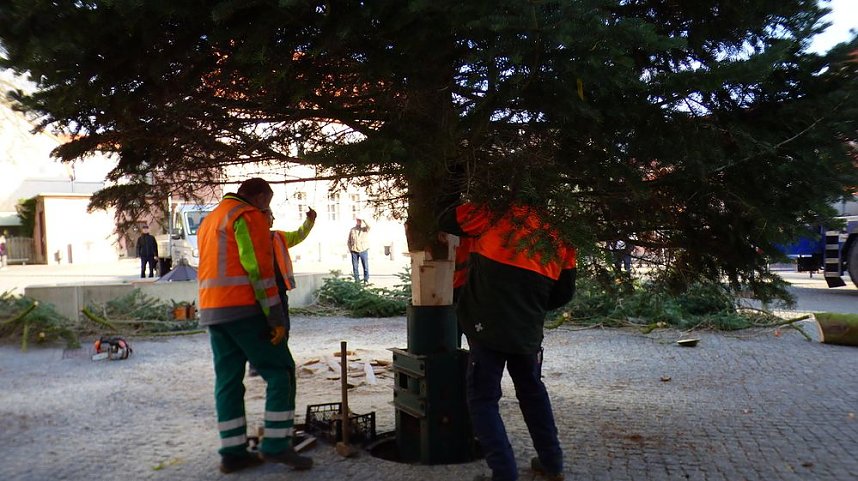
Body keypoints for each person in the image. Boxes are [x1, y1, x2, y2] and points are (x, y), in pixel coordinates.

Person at [439, 202, 576, 481]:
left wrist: (481, 193)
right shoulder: (561, 233)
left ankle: (504, 473)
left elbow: (446, 219)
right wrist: (528, 305)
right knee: (533, 393)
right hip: (526, 329)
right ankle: (552, 464)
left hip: (486, 326)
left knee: (483, 399)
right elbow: (563, 292)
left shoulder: (492, 212)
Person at [197, 178, 313, 474]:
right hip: (244, 310)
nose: (268, 210)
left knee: (228, 381)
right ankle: (275, 445)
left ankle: (233, 453)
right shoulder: (248, 216)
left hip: (213, 310)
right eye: (268, 203)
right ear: (260, 197)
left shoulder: (212, 219)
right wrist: (275, 317)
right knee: (281, 372)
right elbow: (259, 272)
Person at [248, 205, 317, 378]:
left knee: (283, 327)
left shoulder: (279, 237)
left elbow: (299, 235)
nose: (273, 219)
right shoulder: (249, 238)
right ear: (261, 216)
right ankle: (258, 365)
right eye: (271, 215)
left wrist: (309, 221)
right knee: (261, 328)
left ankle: (278, 361)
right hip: (259, 292)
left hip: (278, 291)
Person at [347, 216, 370, 283]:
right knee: (355, 267)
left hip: (363, 250)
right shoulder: (352, 230)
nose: (358, 222)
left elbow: (369, 227)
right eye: (357, 220)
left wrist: (364, 220)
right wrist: (350, 249)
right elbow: (349, 241)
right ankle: (357, 281)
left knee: (365, 266)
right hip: (354, 251)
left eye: (359, 221)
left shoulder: (364, 229)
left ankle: (366, 280)